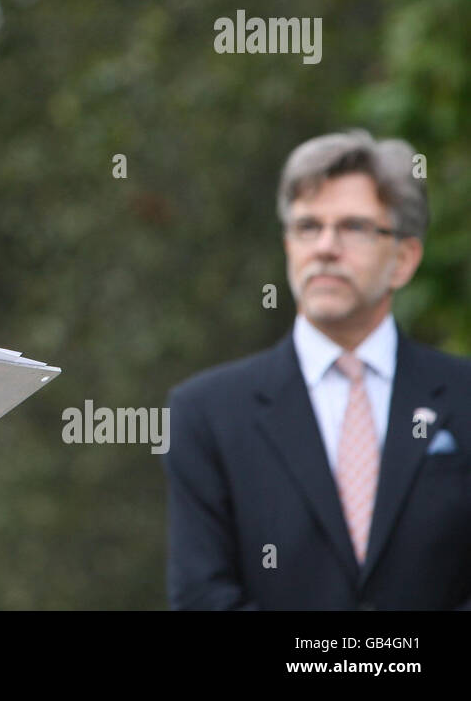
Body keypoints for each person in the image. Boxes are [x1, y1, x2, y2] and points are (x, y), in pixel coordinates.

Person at [165, 130, 471, 609]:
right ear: (288, 246)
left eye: (353, 227)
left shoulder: (463, 395)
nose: (326, 247)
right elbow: (204, 595)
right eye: (308, 226)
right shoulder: (206, 413)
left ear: (404, 259)